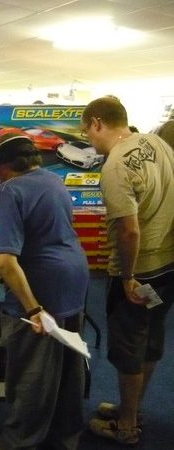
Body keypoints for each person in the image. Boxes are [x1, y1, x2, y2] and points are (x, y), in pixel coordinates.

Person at [0, 133, 89, 450]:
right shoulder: (53, 180)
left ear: (7, 166)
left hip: (42, 285)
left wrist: (33, 309)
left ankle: (18, 443)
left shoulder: (10, 191)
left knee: (31, 373)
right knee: (67, 369)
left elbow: (7, 262)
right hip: (74, 277)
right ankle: (64, 439)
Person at [81, 97, 174, 446]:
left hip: (140, 271)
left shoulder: (116, 165)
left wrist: (127, 277)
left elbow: (129, 230)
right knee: (151, 339)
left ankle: (127, 426)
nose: (89, 141)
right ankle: (130, 409)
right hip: (168, 265)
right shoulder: (158, 143)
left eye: (87, 133)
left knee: (128, 346)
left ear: (97, 123)